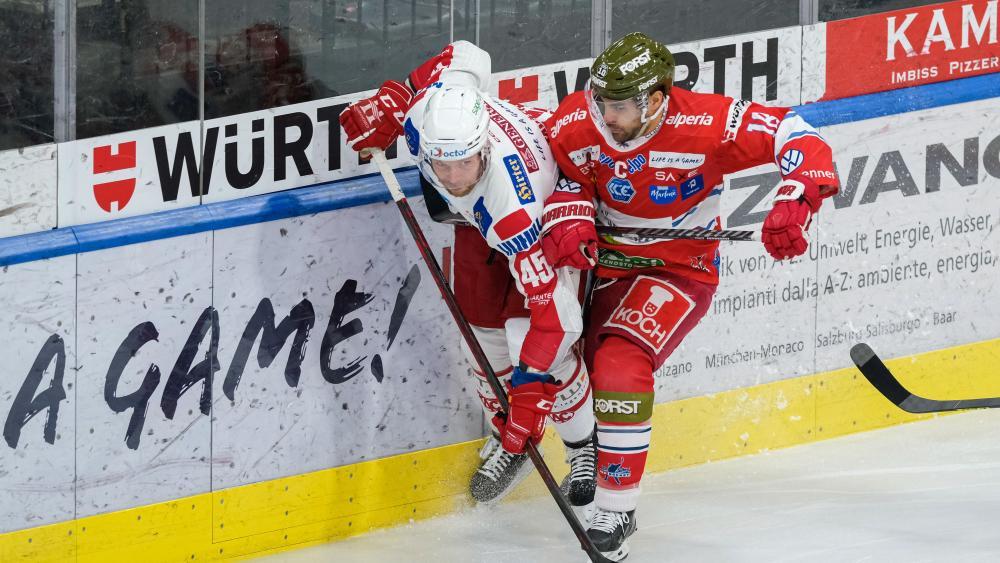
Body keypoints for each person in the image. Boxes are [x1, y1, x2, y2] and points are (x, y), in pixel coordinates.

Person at [539, 32, 841, 560]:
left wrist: (797, 196)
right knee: (565, 359)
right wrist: (570, 214)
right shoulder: (577, 121)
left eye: (620, 106)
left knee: (620, 363)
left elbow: (797, 135)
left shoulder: (708, 122)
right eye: (600, 102)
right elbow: (562, 174)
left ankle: (616, 504)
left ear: (656, 100)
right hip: (603, 264)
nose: (606, 116)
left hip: (680, 266)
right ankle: (585, 449)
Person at [339, 41, 597, 509]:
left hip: (540, 214)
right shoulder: (427, 113)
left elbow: (558, 322)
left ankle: (583, 448)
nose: (454, 176)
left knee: (535, 347)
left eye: (465, 162)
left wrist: (530, 399)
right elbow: (470, 54)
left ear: (484, 146)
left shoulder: (514, 211)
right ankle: (509, 436)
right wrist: (396, 97)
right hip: (475, 223)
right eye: (443, 164)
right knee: (478, 338)